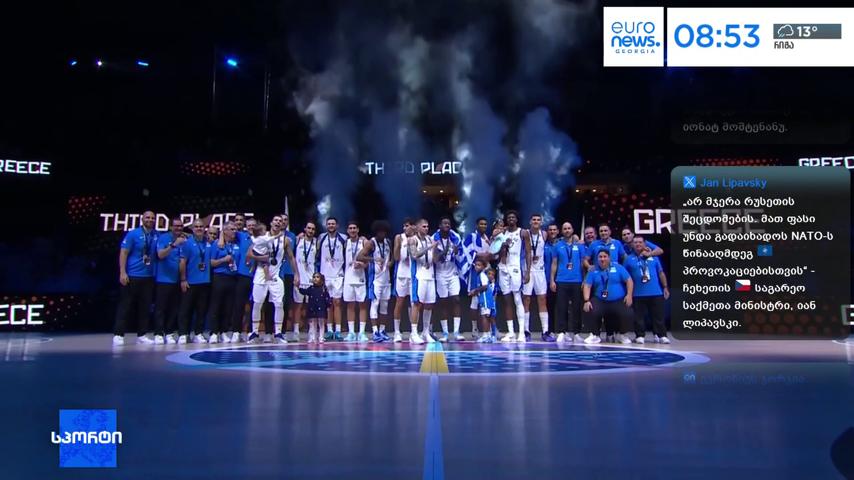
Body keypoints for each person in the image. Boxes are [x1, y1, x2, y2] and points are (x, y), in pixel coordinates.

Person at [247, 215, 299, 343]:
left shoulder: (285, 240)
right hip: (261, 275)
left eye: (280, 221)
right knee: (257, 303)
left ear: (283, 225)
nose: (278, 222)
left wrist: (297, 274)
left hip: (276, 275)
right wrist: (262, 259)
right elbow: (249, 254)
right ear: (271, 223)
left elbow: (291, 258)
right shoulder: (262, 237)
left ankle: (278, 333)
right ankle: (254, 332)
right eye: (276, 220)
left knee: (279, 303)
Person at [112, 210, 158, 346]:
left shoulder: (156, 235)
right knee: (126, 306)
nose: (150, 220)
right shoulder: (133, 234)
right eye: (147, 217)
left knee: (145, 307)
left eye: (152, 218)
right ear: (142, 219)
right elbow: (124, 252)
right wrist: (122, 272)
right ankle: (118, 334)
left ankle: (142, 335)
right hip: (132, 275)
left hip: (149, 277)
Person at [623, 236, 670, 344]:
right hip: (637, 293)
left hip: (655, 292)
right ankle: (640, 335)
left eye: (640, 242)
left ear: (645, 244)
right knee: (638, 317)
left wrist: (665, 287)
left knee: (658, 316)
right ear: (632, 245)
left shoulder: (653, 257)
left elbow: (660, 273)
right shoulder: (629, 259)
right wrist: (627, 292)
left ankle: (661, 335)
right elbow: (625, 277)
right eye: (635, 242)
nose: (638, 244)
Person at [581, 250, 634, 345]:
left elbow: (629, 281)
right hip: (600, 300)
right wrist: (586, 300)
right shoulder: (593, 270)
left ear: (609, 258)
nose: (602, 259)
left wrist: (629, 295)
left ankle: (622, 335)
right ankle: (595, 335)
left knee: (628, 312)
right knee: (590, 308)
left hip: (618, 300)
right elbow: (587, 286)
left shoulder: (618, 267)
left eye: (605, 256)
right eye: (600, 257)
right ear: (597, 259)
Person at [496, 211, 531, 343]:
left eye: (513, 217)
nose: (511, 219)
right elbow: (495, 251)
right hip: (503, 267)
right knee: (506, 300)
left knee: (517, 298)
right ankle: (510, 332)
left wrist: (528, 271)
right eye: (509, 217)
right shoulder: (502, 233)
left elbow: (528, 252)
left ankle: (521, 332)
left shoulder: (523, 232)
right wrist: (501, 244)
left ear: (517, 219)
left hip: (516, 267)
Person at [550, 222, 586, 343]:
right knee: (562, 307)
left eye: (569, 228)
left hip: (577, 280)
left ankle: (576, 333)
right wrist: (552, 280)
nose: (567, 230)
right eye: (564, 228)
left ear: (572, 230)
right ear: (562, 231)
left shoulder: (579, 246)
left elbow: (582, 264)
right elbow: (554, 263)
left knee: (576, 308)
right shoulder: (557, 245)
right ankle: (562, 332)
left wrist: (584, 280)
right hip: (561, 280)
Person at [153, 217, 187, 344]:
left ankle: (169, 332)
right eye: (176, 226)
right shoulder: (163, 238)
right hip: (163, 279)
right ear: (171, 227)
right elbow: (160, 255)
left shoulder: (185, 240)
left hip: (177, 279)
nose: (178, 228)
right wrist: (174, 245)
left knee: (174, 308)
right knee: (161, 308)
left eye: (180, 226)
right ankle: (158, 333)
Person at [177, 219, 211, 344]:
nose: (199, 228)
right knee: (186, 310)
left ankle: (198, 333)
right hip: (190, 282)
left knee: (201, 310)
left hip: (205, 282)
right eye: (196, 226)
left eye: (201, 226)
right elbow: (182, 262)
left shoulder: (208, 243)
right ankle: (183, 334)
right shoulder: (187, 243)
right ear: (192, 229)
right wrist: (183, 279)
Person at [358, 220, 392, 342]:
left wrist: (391, 262)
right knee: (375, 304)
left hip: (386, 278)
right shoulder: (371, 243)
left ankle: (382, 330)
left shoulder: (388, 242)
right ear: (376, 232)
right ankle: (375, 331)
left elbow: (392, 257)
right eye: (380, 232)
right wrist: (373, 259)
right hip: (375, 280)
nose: (382, 234)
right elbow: (359, 256)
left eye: (384, 232)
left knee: (385, 305)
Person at [432, 217, 464, 342]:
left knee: (456, 299)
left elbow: (461, 254)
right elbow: (435, 259)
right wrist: (443, 252)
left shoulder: (455, 237)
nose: (447, 225)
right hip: (440, 272)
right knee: (443, 302)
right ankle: (445, 333)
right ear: (439, 225)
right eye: (444, 223)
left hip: (453, 272)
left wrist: (457, 252)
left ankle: (456, 332)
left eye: (449, 223)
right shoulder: (434, 238)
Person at [522, 213, 553, 342]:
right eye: (534, 219)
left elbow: (556, 238)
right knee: (526, 299)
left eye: (538, 220)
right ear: (530, 221)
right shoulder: (525, 233)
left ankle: (545, 331)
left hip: (540, 271)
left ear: (541, 222)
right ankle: (526, 331)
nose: (536, 221)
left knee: (542, 299)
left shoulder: (544, 234)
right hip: (527, 269)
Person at [207, 221, 240, 343]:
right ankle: (214, 332)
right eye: (231, 229)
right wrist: (223, 260)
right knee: (216, 305)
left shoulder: (236, 245)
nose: (234, 232)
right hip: (219, 277)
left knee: (228, 307)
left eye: (235, 229)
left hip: (232, 278)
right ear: (225, 231)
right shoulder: (217, 244)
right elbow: (211, 262)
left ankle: (224, 331)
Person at [408, 219, 438, 344]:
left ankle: (425, 332)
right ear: (418, 227)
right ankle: (413, 333)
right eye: (424, 226)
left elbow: (434, 259)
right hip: (418, 276)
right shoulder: (412, 240)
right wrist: (429, 247)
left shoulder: (430, 239)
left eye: (427, 226)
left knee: (429, 304)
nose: (426, 228)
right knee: (417, 304)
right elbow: (414, 255)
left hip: (430, 275)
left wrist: (436, 249)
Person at [317, 217, 347, 341]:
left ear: (337, 225)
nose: (331, 225)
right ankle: (329, 330)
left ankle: (338, 331)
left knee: (337, 302)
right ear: (326, 225)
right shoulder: (321, 238)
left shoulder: (344, 238)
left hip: (338, 275)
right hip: (325, 275)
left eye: (333, 224)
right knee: (328, 303)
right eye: (329, 224)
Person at [461, 217, 491, 338]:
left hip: (487, 270)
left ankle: (489, 329)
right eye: (481, 224)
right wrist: (481, 255)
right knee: (474, 301)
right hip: (475, 271)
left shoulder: (487, 239)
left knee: (488, 300)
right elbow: (466, 251)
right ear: (476, 225)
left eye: (485, 224)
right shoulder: (471, 237)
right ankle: (474, 328)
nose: (483, 226)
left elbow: (492, 254)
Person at [230, 216, 257, 343]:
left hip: (256, 277)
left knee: (254, 305)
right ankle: (236, 332)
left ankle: (251, 332)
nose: (251, 227)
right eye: (249, 225)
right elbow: (227, 231)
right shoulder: (241, 236)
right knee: (238, 305)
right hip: (242, 275)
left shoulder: (261, 239)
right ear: (246, 226)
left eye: (253, 225)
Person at [342, 221, 369, 342]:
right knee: (350, 305)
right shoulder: (345, 242)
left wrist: (363, 265)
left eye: (354, 228)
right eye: (350, 228)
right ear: (347, 231)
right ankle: (351, 332)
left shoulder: (363, 242)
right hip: (348, 278)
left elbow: (368, 261)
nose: (352, 230)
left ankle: (362, 332)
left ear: (358, 230)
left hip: (360, 278)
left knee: (362, 305)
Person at [293, 221, 319, 342]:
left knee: (311, 307)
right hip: (299, 278)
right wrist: (295, 275)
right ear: (305, 229)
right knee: (298, 305)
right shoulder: (298, 240)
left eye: (313, 229)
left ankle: (311, 330)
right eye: (309, 228)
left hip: (311, 279)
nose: (310, 230)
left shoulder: (316, 242)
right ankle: (296, 330)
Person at [391, 218, 415, 343]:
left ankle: (413, 332)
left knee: (413, 304)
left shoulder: (416, 238)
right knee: (399, 302)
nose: (404, 228)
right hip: (401, 274)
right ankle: (397, 332)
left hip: (414, 274)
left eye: (407, 226)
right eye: (404, 226)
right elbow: (396, 257)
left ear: (413, 227)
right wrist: (399, 244)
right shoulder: (399, 237)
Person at [279, 214, 300, 341]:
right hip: (275, 273)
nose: (283, 222)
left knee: (286, 302)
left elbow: (293, 256)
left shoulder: (292, 236)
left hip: (288, 273)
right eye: (280, 220)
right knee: (272, 302)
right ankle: (270, 332)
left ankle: (282, 331)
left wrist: (296, 273)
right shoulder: (270, 236)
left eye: (285, 220)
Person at [298, 273, 332, 344]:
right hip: (312, 308)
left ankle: (321, 337)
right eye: (314, 277)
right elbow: (304, 292)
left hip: (321, 309)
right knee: (312, 324)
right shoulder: (311, 288)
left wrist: (328, 306)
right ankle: (312, 337)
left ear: (321, 279)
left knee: (321, 324)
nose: (315, 279)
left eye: (317, 277)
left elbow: (327, 299)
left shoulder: (324, 289)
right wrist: (298, 287)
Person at [543, 223, 560, 335]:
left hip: (562, 280)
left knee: (562, 307)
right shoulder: (543, 246)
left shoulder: (562, 245)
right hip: (547, 280)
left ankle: (563, 331)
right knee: (550, 307)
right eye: (550, 230)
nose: (552, 232)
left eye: (554, 230)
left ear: (558, 231)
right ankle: (551, 330)